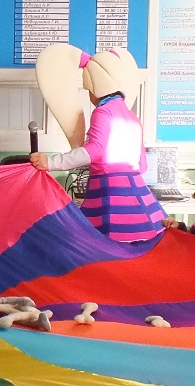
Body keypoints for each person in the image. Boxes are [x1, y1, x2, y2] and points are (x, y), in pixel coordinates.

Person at [30, 47, 165, 241]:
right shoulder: (132, 116)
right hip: (137, 190)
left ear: (95, 86)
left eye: (88, 90)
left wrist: (50, 162)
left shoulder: (103, 112)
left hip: (108, 189)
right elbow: (142, 166)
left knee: (99, 244)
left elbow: (95, 150)